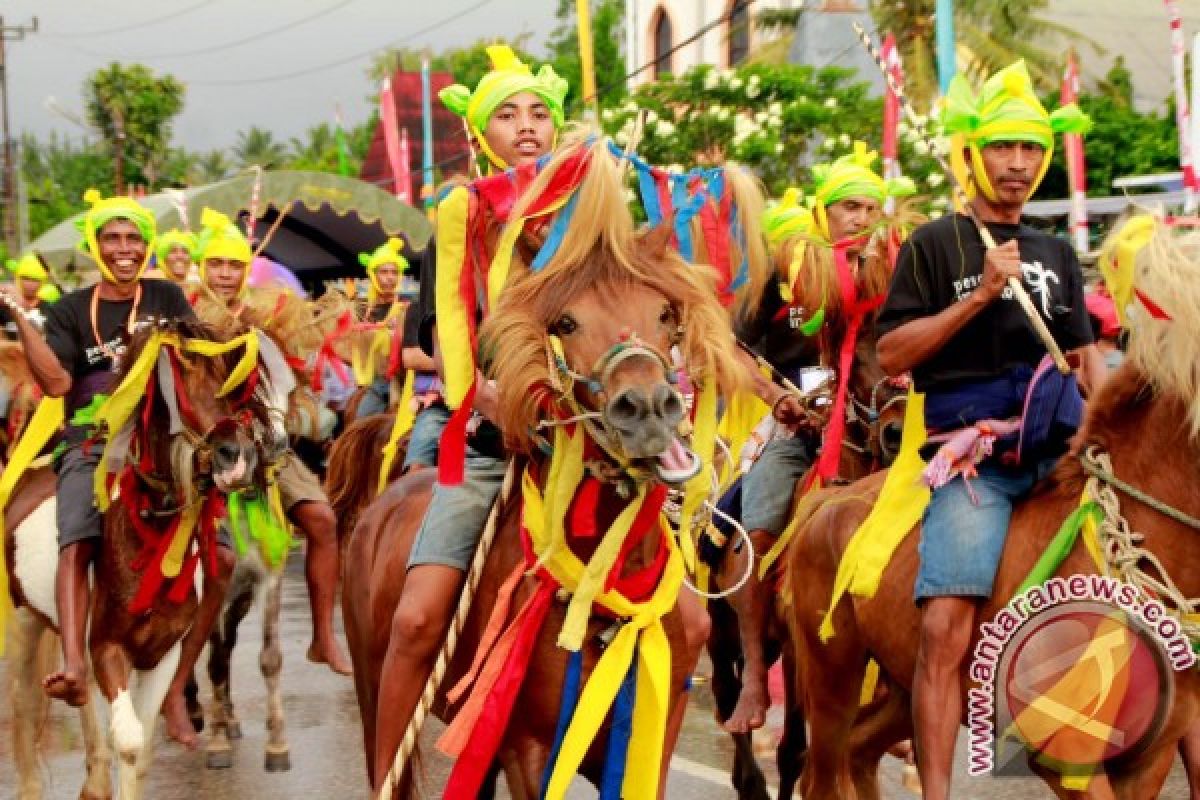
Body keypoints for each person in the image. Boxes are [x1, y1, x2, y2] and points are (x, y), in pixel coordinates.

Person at [874, 61, 1102, 799]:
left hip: (1061, 460)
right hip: (980, 466)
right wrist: (982, 297)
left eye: (1032, 149)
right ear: (973, 152)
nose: (1019, 163)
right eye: (1004, 147)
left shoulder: (1059, 253)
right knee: (945, 624)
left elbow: (1085, 360)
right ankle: (937, 790)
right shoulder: (936, 244)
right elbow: (892, 354)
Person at [0, 192, 234, 748]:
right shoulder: (67, 311)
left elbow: (197, 363)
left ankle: (178, 682)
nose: (124, 249)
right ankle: (77, 666)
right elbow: (57, 385)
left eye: (133, 239)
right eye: (112, 239)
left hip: (161, 441)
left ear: (145, 245)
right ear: (95, 246)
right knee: (75, 531)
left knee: (223, 552)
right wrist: (17, 316)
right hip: (93, 442)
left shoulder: (166, 295)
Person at [724, 145, 915, 733]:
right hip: (802, 428)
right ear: (822, 213)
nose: (859, 218)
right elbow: (732, 348)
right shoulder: (782, 275)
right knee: (756, 521)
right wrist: (777, 398)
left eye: (869, 207)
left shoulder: (897, 271)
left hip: (883, 423)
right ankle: (756, 673)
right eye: (847, 207)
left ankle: (903, 688)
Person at [186, 207, 353, 685]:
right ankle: (176, 674)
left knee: (322, 519)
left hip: (263, 445)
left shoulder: (264, 316)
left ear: (245, 270)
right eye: (216, 264)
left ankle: (323, 636)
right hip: (203, 448)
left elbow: (281, 380)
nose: (224, 274)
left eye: (234, 265)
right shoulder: (185, 314)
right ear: (203, 268)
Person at [352, 238, 407, 419]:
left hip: (403, 380)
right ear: (373, 275)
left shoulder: (406, 307)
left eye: (394, 272)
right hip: (375, 383)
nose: (390, 277)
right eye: (384, 272)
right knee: (360, 422)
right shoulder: (362, 309)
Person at [2, 252, 58, 338]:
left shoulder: (48, 309)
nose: (30, 284)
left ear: (42, 282)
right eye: (26, 278)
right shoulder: (5, 305)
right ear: (18, 278)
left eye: (35, 280)